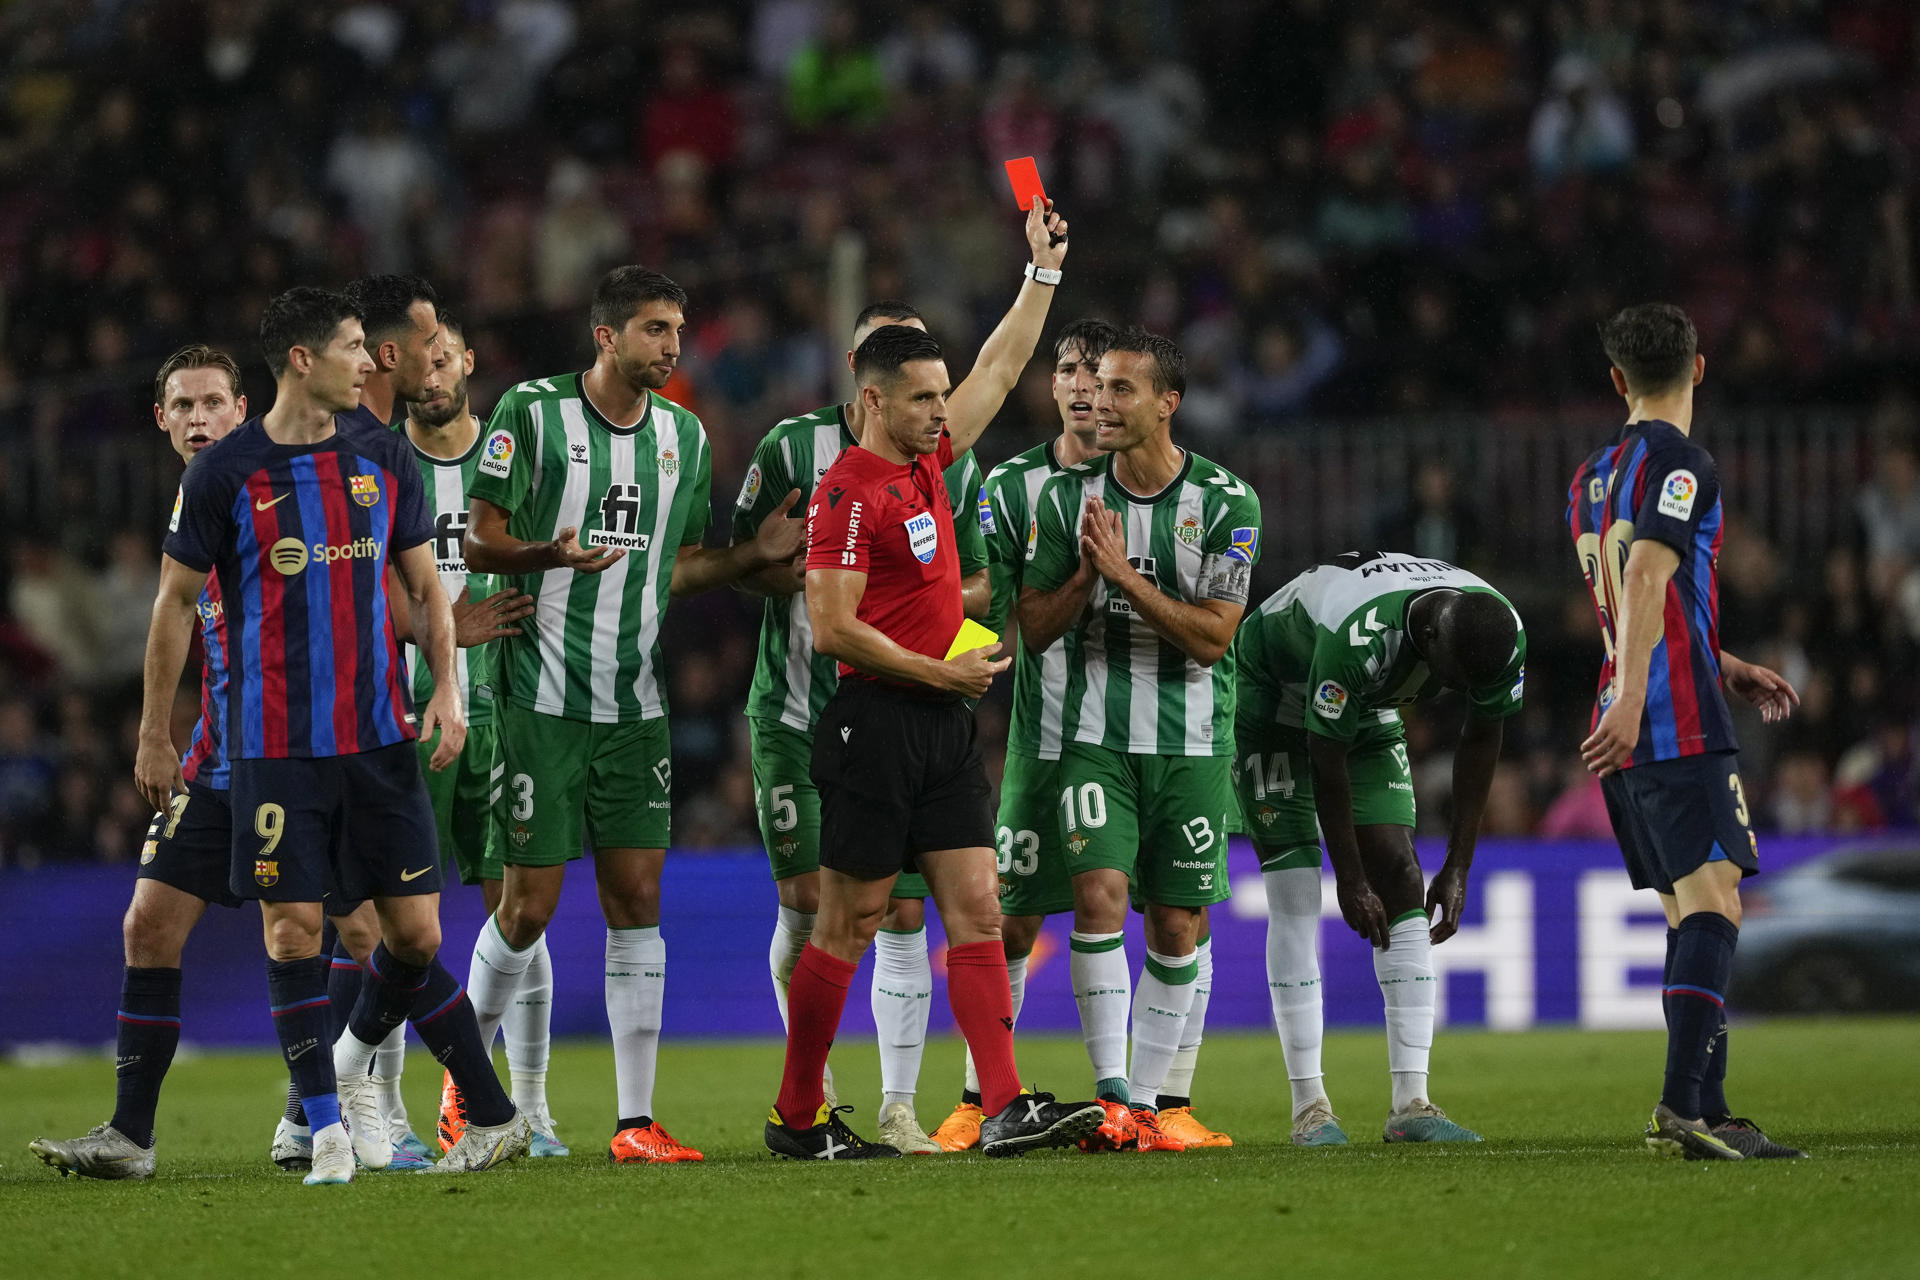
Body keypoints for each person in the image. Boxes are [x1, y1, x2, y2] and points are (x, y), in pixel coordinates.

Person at [137, 287, 527, 1184]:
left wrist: (448, 693)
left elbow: (425, 588)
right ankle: (324, 1132)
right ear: (304, 361)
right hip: (274, 746)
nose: (372, 361)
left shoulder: (383, 453)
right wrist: (158, 732)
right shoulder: (224, 474)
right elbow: (171, 605)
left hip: (379, 738)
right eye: (356, 347)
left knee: (414, 937)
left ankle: (400, 1091)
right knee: (292, 932)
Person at [461, 267, 805, 1165]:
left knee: (638, 901)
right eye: (656, 330)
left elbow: (677, 565)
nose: (673, 347)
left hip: (633, 703)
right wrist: (547, 554)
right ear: (606, 337)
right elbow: (476, 535)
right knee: (529, 908)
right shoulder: (531, 414)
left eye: (678, 330)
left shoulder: (684, 438)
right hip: (536, 697)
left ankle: (634, 1121)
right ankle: (467, 1093)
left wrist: (747, 556)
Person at [734, 262, 1062, 1152]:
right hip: (875, 722)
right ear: (875, 401)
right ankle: (796, 1116)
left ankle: (1002, 1107)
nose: (942, 411)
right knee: (849, 924)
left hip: (940, 725)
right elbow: (833, 629)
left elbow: (999, 368)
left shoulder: (929, 465)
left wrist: (1041, 273)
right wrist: (937, 672)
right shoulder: (847, 492)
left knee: (978, 912)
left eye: (942, 395)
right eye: (923, 398)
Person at [26, 345, 351, 1180]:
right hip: (215, 761)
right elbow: (176, 620)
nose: (199, 418)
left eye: (213, 402)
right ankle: (133, 1137)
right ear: (163, 420)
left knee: (355, 932)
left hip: (301, 754)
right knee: (148, 925)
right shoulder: (195, 498)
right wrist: (155, 733)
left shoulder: (284, 485)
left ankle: (326, 1114)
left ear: (242, 409)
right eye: (183, 405)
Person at [1569, 302, 1805, 1160]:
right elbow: (1645, 575)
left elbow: (1637, 598)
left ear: (1617, 380)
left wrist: (1722, 658)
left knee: (1691, 912)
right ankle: (1684, 1109)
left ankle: (1711, 1111)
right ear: (1699, 369)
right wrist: (1639, 695)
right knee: (1716, 905)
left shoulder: (1590, 476)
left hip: (1636, 704)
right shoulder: (1684, 464)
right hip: (1666, 716)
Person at [1017, 328, 1261, 1154]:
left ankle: (1156, 1105)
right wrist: (1086, 578)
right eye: (1095, 386)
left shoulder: (1229, 505)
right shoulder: (1066, 502)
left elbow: (1213, 640)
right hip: (1095, 734)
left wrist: (1124, 579)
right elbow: (1035, 629)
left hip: (1193, 744)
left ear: (1167, 403)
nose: (1100, 403)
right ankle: (1115, 1094)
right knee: (1098, 899)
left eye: (1122, 390)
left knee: (1177, 927)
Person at [1235, 552, 1527, 1146]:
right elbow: (1325, 757)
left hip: (1364, 706)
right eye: (1445, 676)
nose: (1447, 691)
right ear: (1425, 634)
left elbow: (1483, 734)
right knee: (1294, 891)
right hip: (1270, 701)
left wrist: (1460, 864)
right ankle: (1310, 1106)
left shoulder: (1501, 631)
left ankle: (1412, 1102)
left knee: (1400, 872)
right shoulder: (1357, 634)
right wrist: (1347, 878)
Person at [394, 318, 564, 1157]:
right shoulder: (381, 463)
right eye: (415, 364)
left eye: (443, 358)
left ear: (468, 360)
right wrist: (439, 634)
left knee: (518, 911)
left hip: (508, 705)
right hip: (406, 711)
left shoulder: (514, 454)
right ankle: (380, 1105)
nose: (431, 376)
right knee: (394, 917)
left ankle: (527, 1105)